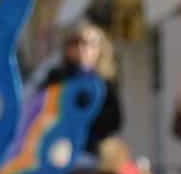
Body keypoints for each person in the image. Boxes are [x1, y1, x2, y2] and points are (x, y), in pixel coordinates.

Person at [39, 20, 122, 148]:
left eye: (88, 44)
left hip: (94, 148)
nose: (81, 49)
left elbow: (114, 120)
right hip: (61, 146)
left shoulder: (104, 82)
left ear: (99, 49)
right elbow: (44, 111)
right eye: (75, 43)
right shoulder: (57, 78)